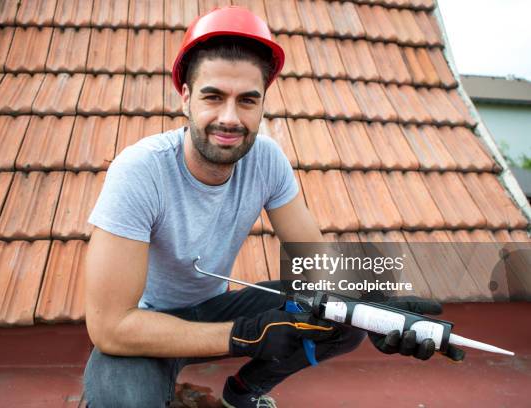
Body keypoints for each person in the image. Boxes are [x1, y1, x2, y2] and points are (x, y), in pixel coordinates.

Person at [82, 7, 461, 408]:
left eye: (247, 100)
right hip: (145, 328)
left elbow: (316, 266)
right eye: (213, 97)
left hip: (212, 310)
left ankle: (241, 395)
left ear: (262, 104)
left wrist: (377, 308)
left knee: (341, 319)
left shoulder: (266, 160)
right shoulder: (140, 171)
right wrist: (244, 334)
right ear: (186, 97)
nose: (229, 118)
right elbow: (110, 326)